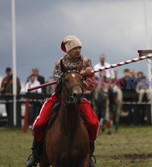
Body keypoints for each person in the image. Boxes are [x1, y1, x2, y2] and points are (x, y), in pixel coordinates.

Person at [26, 35, 99, 167]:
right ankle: (36, 154)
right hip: (60, 97)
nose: (78, 50)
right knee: (39, 123)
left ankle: (90, 155)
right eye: (75, 48)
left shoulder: (87, 61)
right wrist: (79, 75)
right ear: (68, 50)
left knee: (93, 123)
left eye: (80, 48)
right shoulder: (60, 63)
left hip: (79, 97)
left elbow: (91, 84)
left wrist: (90, 76)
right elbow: (58, 81)